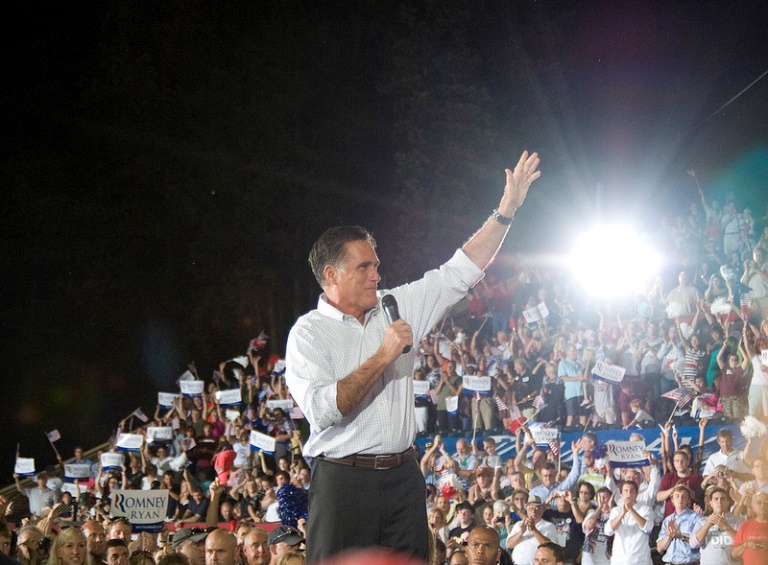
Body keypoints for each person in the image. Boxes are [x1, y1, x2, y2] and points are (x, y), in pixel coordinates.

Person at [285, 150, 541, 563]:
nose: (377, 275)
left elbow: (459, 272)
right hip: (343, 482)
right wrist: (385, 354)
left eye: (377, 265)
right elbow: (325, 409)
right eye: (364, 267)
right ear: (331, 275)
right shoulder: (308, 334)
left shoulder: (395, 303)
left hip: (404, 477)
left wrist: (506, 209)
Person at [604, 481, 654, 565]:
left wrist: (631, 509)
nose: (629, 494)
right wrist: (622, 513)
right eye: (625, 491)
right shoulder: (616, 511)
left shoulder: (645, 509)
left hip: (640, 560)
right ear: (621, 495)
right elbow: (608, 531)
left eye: (632, 491)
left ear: (637, 494)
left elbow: (648, 528)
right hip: (619, 560)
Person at [690, 487, 743, 565]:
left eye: (722, 499)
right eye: (716, 499)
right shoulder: (702, 521)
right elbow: (693, 544)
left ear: (728, 502)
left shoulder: (739, 521)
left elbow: (744, 543)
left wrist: (727, 527)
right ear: (710, 503)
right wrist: (707, 525)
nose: (719, 501)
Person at [506, 495, 558, 565]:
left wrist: (534, 530)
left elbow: (550, 548)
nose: (533, 511)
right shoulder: (519, 524)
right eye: (531, 508)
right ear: (526, 510)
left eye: (537, 508)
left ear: (542, 511)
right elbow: (509, 545)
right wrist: (521, 532)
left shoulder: (549, 526)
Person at [656, 485, 701, 564]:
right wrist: (669, 536)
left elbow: (699, 543)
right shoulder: (667, 520)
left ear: (688, 500)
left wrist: (681, 537)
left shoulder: (696, 518)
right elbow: (660, 549)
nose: (680, 499)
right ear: (672, 500)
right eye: (677, 496)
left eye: (684, 497)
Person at [731, 492, 768, 565]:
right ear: (753, 506)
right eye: (759, 503)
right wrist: (746, 545)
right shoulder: (745, 525)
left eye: (766, 502)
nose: (763, 505)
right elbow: (734, 554)